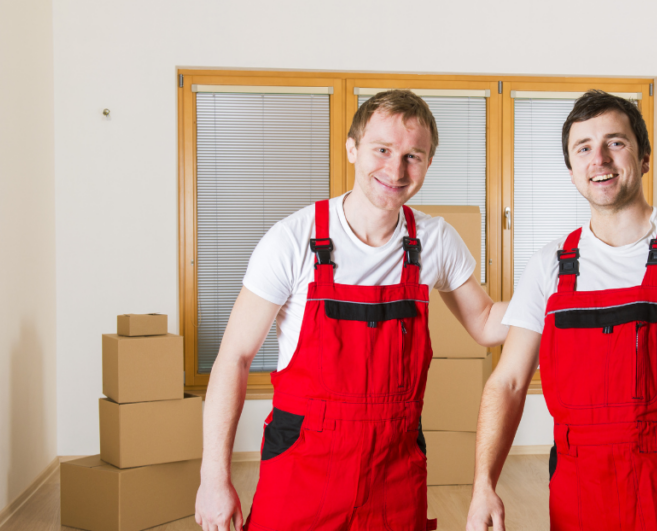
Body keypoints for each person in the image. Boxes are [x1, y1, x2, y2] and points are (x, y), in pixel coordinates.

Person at [195, 90, 509, 531]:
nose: (395, 170)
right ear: (352, 149)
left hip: (394, 469)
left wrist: (560, 297)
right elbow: (234, 358)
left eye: (412, 156)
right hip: (303, 464)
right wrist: (214, 477)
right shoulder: (293, 239)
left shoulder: (435, 241)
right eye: (382, 150)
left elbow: (486, 321)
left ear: (428, 163)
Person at [466, 90, 657, 531]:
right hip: (577, 494)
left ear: (643, 158)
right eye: (583, 148)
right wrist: (483, 485)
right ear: (571, 170)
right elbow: (506, 382)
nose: (598, 158)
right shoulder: (549, 266)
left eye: (615, 143)